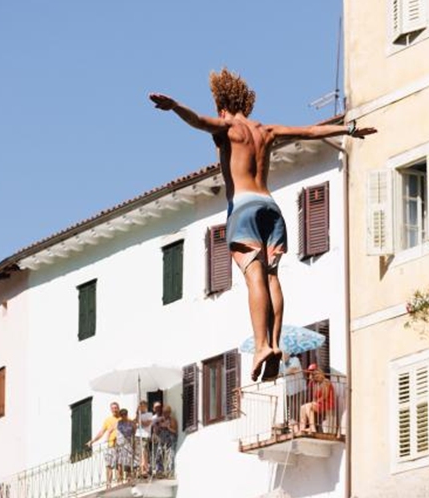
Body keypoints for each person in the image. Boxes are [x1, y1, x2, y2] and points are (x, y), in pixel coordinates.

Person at [150, 71, 374, 382]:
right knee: (272, 277)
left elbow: (199, 122)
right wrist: (347, 129)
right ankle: (276, 343)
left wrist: (175, 106)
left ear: (221, 104)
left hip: (243, 208)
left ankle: (260, 346)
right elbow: (309, 131)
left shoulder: (228, 127)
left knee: (254, 277)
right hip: (271, 207)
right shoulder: (265, 130)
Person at [89, 400, 122, 486]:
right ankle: (108, 485)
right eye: (113, 408)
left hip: (121, 445)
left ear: (119, 408)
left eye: (116, 408)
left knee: (119, 465)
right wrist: (93, 441)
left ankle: (119, 483)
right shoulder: (108, 420)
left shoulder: (123, 418)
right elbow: (101, 432)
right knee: (109, 466)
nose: (114, 410)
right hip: (111, 446)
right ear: (111, 410)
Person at [298, 365, 336, 435]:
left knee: (309, 406)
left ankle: (312, 428)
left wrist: (315, 402)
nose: (313, 375)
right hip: (320, 403)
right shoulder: (316, 384)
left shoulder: (326, 381)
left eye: (314, 373)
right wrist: (311, 381)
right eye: (311, 374)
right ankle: (302, 428)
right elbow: (314, 396)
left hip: (327, 403)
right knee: (303, 407)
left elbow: (325, 395)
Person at [115, 408, 136, 481]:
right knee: (120, 461)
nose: (123, 416)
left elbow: (134, 433)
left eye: (125, 414)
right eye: (122, 414)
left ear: (127, 414)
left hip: (129, 444)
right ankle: (119, 477)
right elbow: (116, 433)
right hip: (120, 444)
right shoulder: (118, 423)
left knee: (128, 461)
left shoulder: (131, 423)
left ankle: (128, 477)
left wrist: (134, 444)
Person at [135, 400, 155, 476]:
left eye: (143, 406)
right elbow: (135, 422)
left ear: (146, 406)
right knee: (139, 452)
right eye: (140, 406)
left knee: (144, 451)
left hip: (145, 435)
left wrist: (140, 421)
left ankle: (145, 468)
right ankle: (141, 468)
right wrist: (137, 414)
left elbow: (147, 424)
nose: (142, 408)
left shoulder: (149, 414)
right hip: (138, 435)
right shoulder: (138, 415)